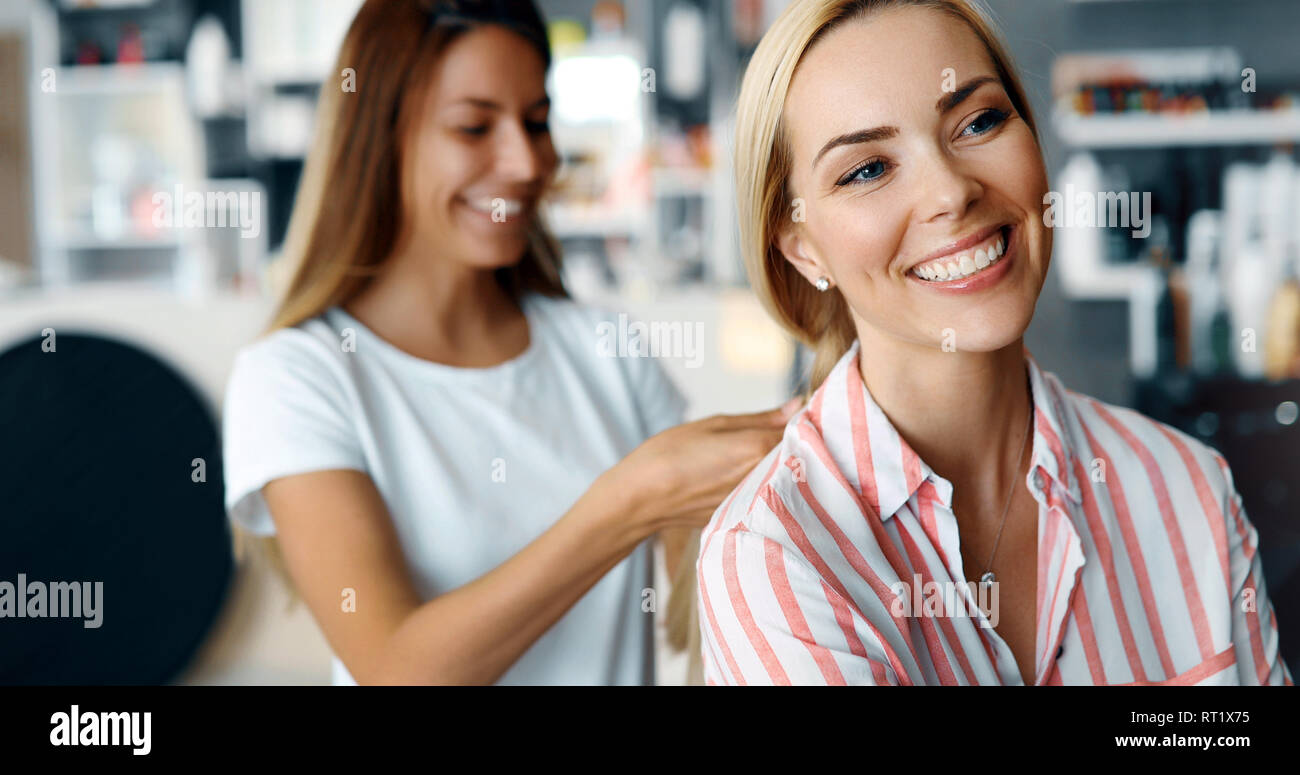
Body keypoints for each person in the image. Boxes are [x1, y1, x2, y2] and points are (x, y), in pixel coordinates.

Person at [696, 0, 1293, 686]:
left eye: (978, 122)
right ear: (801, 249)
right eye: (867, 169)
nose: (951, 192)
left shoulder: (1187, 487)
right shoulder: (775, 554)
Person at [221, 0, 797, 686]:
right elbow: (396, 667)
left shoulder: (602, 345)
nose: (527, 162)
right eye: (474, 126)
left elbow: (702, 592)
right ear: (378, 137)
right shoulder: (294, 378)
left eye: (537, 121)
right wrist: (628, 503)